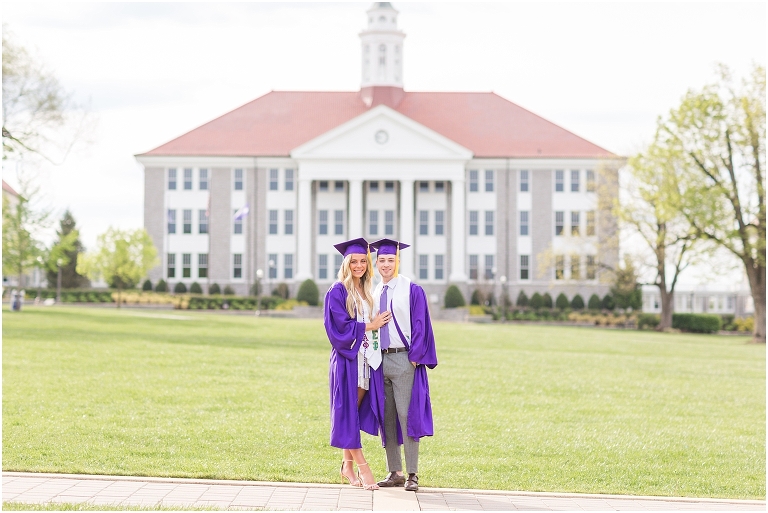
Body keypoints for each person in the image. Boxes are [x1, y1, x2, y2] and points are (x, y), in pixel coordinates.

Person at [370, 238, 438, 492]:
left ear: (398, 261)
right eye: (382, 261)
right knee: (386, 417)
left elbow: (421, 323)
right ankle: (394, 471)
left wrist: (415, 356)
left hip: (403, 358)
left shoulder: (411, 289)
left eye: (391, 260)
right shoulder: (376, 291)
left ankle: (412, 473)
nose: (386, 265)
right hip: (380, 360)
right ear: (376, 263)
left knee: (406, 415)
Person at [323, 237, 390, 491]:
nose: (359, 265)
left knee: (352, 412)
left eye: (363, 261)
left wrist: (375, 322)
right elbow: (337, 327)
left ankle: (346, 466)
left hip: (365, 359)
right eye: (355, 261)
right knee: (347, 413)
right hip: (346, 359)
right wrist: (369, 325)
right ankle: (363, 467)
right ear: (347, 263)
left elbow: (365, 321)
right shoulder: (338, 290)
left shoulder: (366, 290)